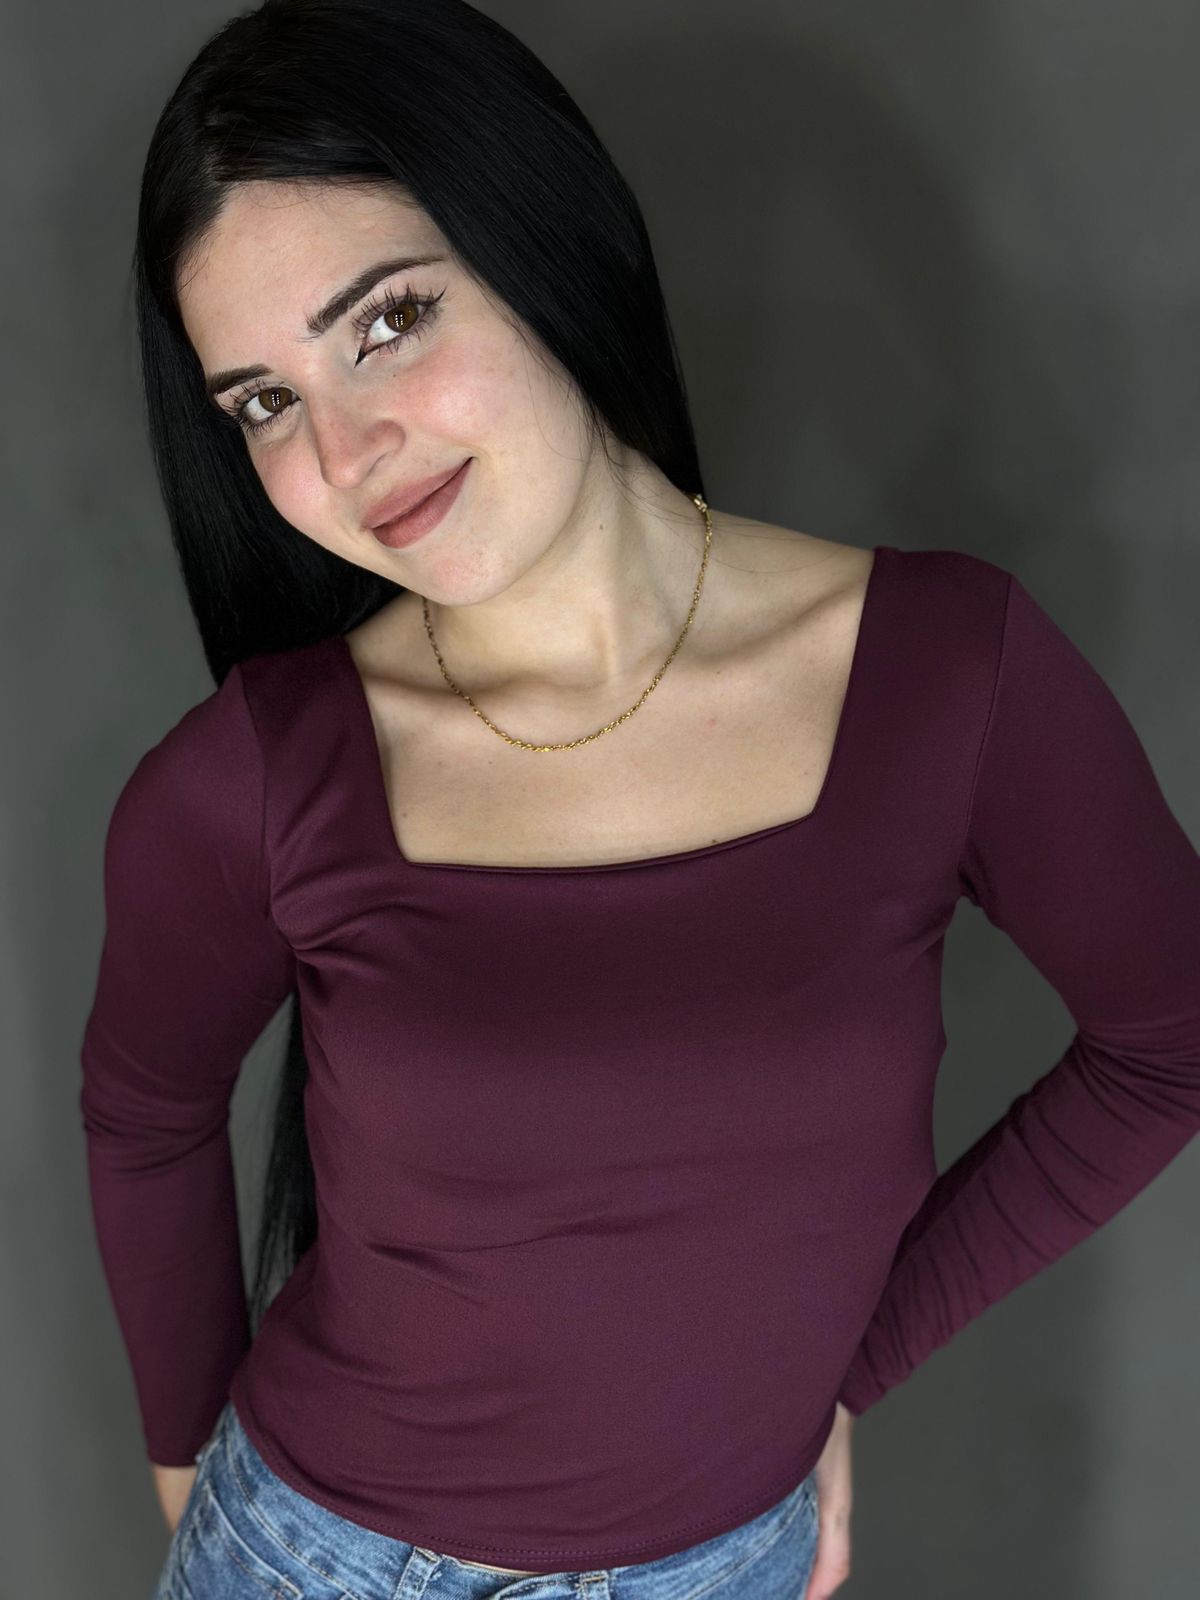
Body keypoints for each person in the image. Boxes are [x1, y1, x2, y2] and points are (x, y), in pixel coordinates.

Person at [78, 1, 1200, 1597]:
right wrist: (196, 1495)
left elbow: (1171, 1039)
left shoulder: (951, 676)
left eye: (388, 320)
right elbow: (145, 1112)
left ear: (535, 235)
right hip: (314, 1556)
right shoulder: (256, 774)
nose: (347, 450)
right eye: (264, 402)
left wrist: (845, 1368)